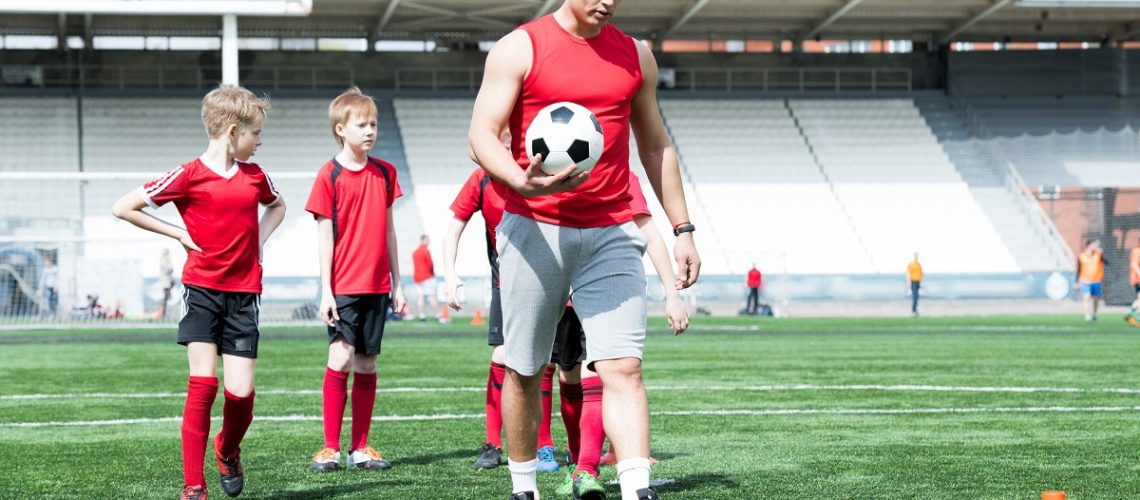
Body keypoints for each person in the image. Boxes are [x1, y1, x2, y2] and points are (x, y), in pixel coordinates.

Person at [468, 0, 701, 497]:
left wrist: (682, 227)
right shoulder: (519, 48)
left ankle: (636, 486)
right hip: (533, 225)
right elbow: (480, 136)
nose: (608, 1)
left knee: (623, 365)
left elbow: (656, 144)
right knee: (526, 367)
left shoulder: (636, 56)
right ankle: (523, 486)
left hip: (613, 230)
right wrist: (518, 180)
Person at [111, 84, 285, 500]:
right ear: (231, 131)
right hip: (202, 290)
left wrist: (258, 242)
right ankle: (194, 487)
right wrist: (178, 233)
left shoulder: (255, 177)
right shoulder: (188, 174)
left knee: (241, 395)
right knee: (202, 385)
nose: (259, 142)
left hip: (244, 294)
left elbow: (278, 206)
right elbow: (124, 206)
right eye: (255, 133)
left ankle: (227, 449)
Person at [555, 172, 689, 500]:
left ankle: (585, 468)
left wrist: (672, 295)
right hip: (557, 291)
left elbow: (650, 235)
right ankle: (574, 460)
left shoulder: (622, 176)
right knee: (564, 375)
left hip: (605, 293)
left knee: (600, 371)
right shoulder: (546, 172)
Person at [305, 87, 407, 473]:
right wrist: (327, 290)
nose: (370, 130)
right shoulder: (328, 175)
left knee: (367, 364)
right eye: (361, 124)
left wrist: (399, 283)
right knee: (341, 357)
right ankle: (330, 448)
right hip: (344, 286)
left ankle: (359, 448)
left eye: (374, 124)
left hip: (378, 286)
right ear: (340, 129)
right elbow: (324, 236)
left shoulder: (385, 173)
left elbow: (390, 232)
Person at [412, 234, 442, 322]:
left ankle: (422, 316)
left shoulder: (415, 252)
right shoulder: (425, 251)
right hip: (426, 276)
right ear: (424, 240)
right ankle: (438, 316)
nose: (429, 242)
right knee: (432, 296)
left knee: (420, 297)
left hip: (417, 277)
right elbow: (430, 264)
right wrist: (432, 274)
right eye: (428, 240)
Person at [1076, 239, 1107, 322]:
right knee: (1086, 297)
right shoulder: (1081, 256)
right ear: (1088, 246)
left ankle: (1094, 314)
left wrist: (1102, 254)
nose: (1094, 247)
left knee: (1096, 299)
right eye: (1092, 245)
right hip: (1085, 281)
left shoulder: (1098, 255)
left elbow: (1107, 262)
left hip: (1096, 280)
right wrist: (1076, 282)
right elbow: (1078, 269)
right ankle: (1087, 315)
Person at [159, 248, 176, 319]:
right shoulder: (163, 260)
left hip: (168, 281)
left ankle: (164, 312)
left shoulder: (167, 260)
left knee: (167, 297)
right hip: (166, 282)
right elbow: (169, 269)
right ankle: (163, 312)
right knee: (166, 297)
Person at [1127, 241, 1140, 326]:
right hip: (1138, 278)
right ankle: (1129, 313)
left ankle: (1136, 316)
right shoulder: (1137, 251)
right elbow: (1134, 264)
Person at [907, 253, 923, 317]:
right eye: (915, 256)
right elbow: (908, 274)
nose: (916, 257)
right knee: (915, 296)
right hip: (913, 281)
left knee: (917, 297)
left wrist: (920, 282)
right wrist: (909, 283)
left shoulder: (919, 265)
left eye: (917, 256)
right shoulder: (911, 265)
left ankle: (915, 310)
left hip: (918, 282)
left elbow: (921, 273)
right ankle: (913, 311)